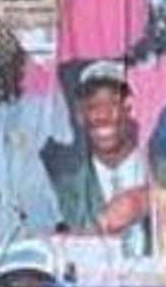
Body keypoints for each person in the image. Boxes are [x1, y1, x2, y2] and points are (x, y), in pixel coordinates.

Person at [39, 62, 153, 244]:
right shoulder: (64, 192)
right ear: (80, 116)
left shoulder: (164, 174)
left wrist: (146, 200)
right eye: (93, 106)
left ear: (129, 108)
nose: (102, 116)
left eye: (112, 104)